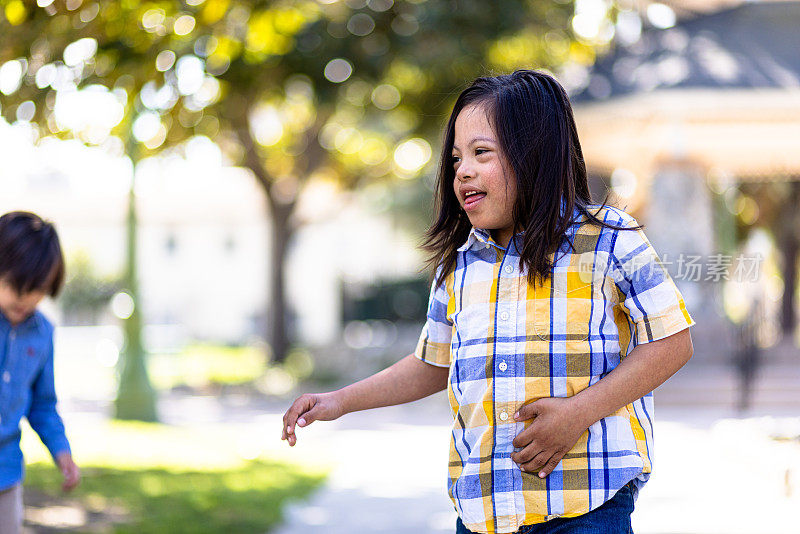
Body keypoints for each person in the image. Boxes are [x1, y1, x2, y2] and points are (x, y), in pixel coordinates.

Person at [281, 70, 694, 534]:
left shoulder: (609, 241)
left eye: (482, 153)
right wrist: (340, 400)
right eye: (456, 158)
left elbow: (672, 342)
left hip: (587, 507)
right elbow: (431, 364)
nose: (463, 170)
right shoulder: (458, 266)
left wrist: (579, 412)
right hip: (484, 515)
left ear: (535, 155)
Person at [0, 211, 80, 534]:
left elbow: (43, 403)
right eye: (15, 287)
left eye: (37, 290)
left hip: (6, 474)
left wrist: (61, 451)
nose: (26, 299)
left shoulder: (43, 333)